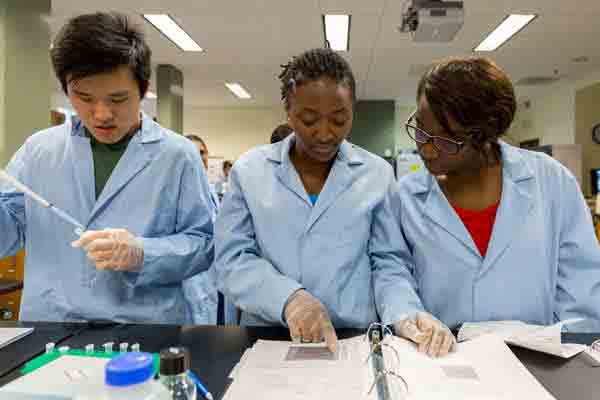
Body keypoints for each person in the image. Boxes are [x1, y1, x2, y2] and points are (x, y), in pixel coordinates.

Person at [0, 12, 215, 323]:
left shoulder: (177, 156)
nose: (101, 114)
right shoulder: (39, 151)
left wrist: (142, 253)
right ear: (65, 88)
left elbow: (205, 244)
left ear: (143, 88)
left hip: (143, 328)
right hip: (52, 325)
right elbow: (8, 234)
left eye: (117, 99)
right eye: (84, 97)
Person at [378, 57, 600, 357]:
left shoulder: (551, 181)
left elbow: (583, 290)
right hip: (440, 359)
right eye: (420, 128)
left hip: (540, 359)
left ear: (485, 136)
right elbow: (392, 270)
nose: (426, 148)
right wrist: (410, 316)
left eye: (447, 140)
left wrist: (561, 351)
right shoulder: (404, 197)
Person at [214, 48, 403, 351]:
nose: (325, 133)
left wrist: (405, 313)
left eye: (339, 119)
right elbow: (231, 260)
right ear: (288, 112)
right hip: (269, 334)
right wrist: (289, 299)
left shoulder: (377, 174)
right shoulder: (250, 172)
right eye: (309, 119)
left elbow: (389, 262)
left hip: (351, 336)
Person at [185, 135, 220, 210]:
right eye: (193, 152)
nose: (199, 157)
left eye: (202, 152)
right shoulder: (181, 192)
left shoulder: (209, 187)